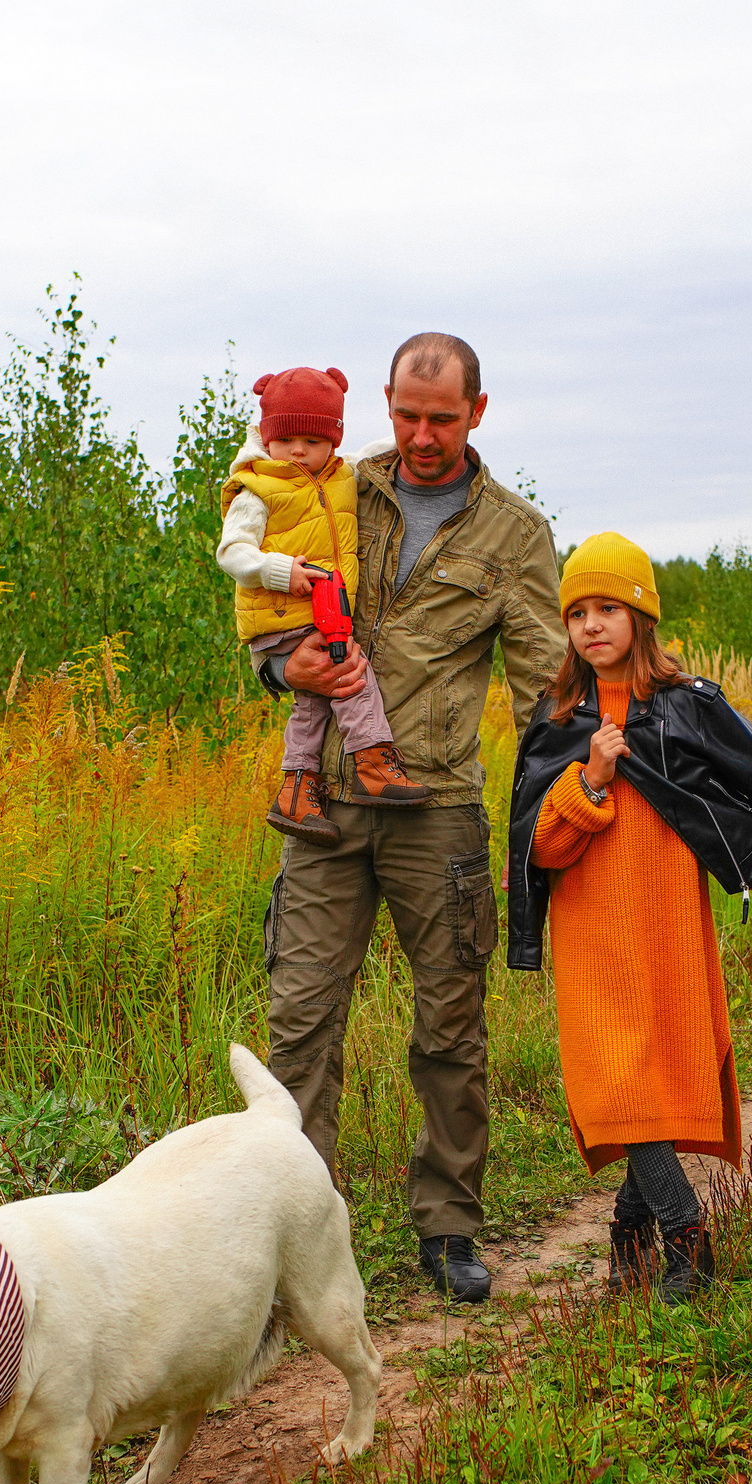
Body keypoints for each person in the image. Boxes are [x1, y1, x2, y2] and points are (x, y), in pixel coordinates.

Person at [260, 332, 565, 1303]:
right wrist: (277, 666)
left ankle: (447, 1228)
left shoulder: (514, 535)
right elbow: (262, 597)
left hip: (437, 813)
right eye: (405, 414)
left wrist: (561, 815)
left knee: (449, 1027)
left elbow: (543, 692)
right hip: (321, 812)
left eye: (440, 418)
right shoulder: (334, 490)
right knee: (300, 1024)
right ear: (384, 403)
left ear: (477, 412)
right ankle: (297, 1250)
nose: (421, 436)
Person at [505, 535, 752, 1301]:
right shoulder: (557, 716)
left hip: (664, 934)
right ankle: (687, 1233)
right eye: (577, 612)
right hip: (591, 941)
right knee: (614, 1084)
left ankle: (631, 1227)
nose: (592, 626)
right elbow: (539, 851)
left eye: (608, 609)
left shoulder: (689, 707)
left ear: (641, 616)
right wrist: (589, 780)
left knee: (647, 1083)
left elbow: (739, 814)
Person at [217, 366, 431, 845]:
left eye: (313, 440)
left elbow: (374, 453)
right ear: (268, 436)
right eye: (287, 438)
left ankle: (296, 790)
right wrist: (279, 571)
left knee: (313, 705)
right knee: (351, 675)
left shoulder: (340, 475)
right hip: (282, 613)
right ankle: (373, 762)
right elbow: (231, 552)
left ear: (332, 441)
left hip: (319, 609)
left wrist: (409, 439)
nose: (298, 451)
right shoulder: (257, 488)